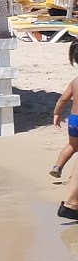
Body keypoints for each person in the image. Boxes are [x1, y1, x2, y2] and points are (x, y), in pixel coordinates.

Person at [52, 43, 77, 179]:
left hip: (74, 120)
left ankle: (57, 166)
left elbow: (63, 100)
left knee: (72, 146)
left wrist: (57, 113)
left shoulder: (74, 82)